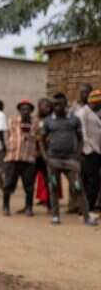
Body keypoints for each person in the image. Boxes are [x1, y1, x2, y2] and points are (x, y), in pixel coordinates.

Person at [40, 93, 96, 226]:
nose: (57, 107)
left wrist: (78, 154)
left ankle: (86, 217)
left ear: (65, 104)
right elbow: (41, 140)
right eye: (55, 105)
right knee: (53, 187)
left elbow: (80, 138)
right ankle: (55, 216)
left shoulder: (74, 119)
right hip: (53, 160)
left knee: (78, 187)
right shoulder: (48, 121)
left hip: (71, 160)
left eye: (60, 104)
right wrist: (45, 156)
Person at [2, 100, 38, 217]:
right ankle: (6, 206)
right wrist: (8, 147)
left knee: (29, 185)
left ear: (31, 111)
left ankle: (29, 207)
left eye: (28, 109)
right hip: (13, 157)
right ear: (19, 110)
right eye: (23, 109)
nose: (25, 111)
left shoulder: (35, 123)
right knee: (8, 184)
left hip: (29, 158)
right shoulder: (12, 120)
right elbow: (6, 135)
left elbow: (39, 138)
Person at [75, 86, 101, 215]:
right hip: (89, 152)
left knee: (91, 181)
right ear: (94, 102)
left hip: (97, 151)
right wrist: (87, 150)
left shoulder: (96, 112)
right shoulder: (83, 113)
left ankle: (86, 208)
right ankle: (88, 208)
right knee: (91, 181)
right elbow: (83, 134)